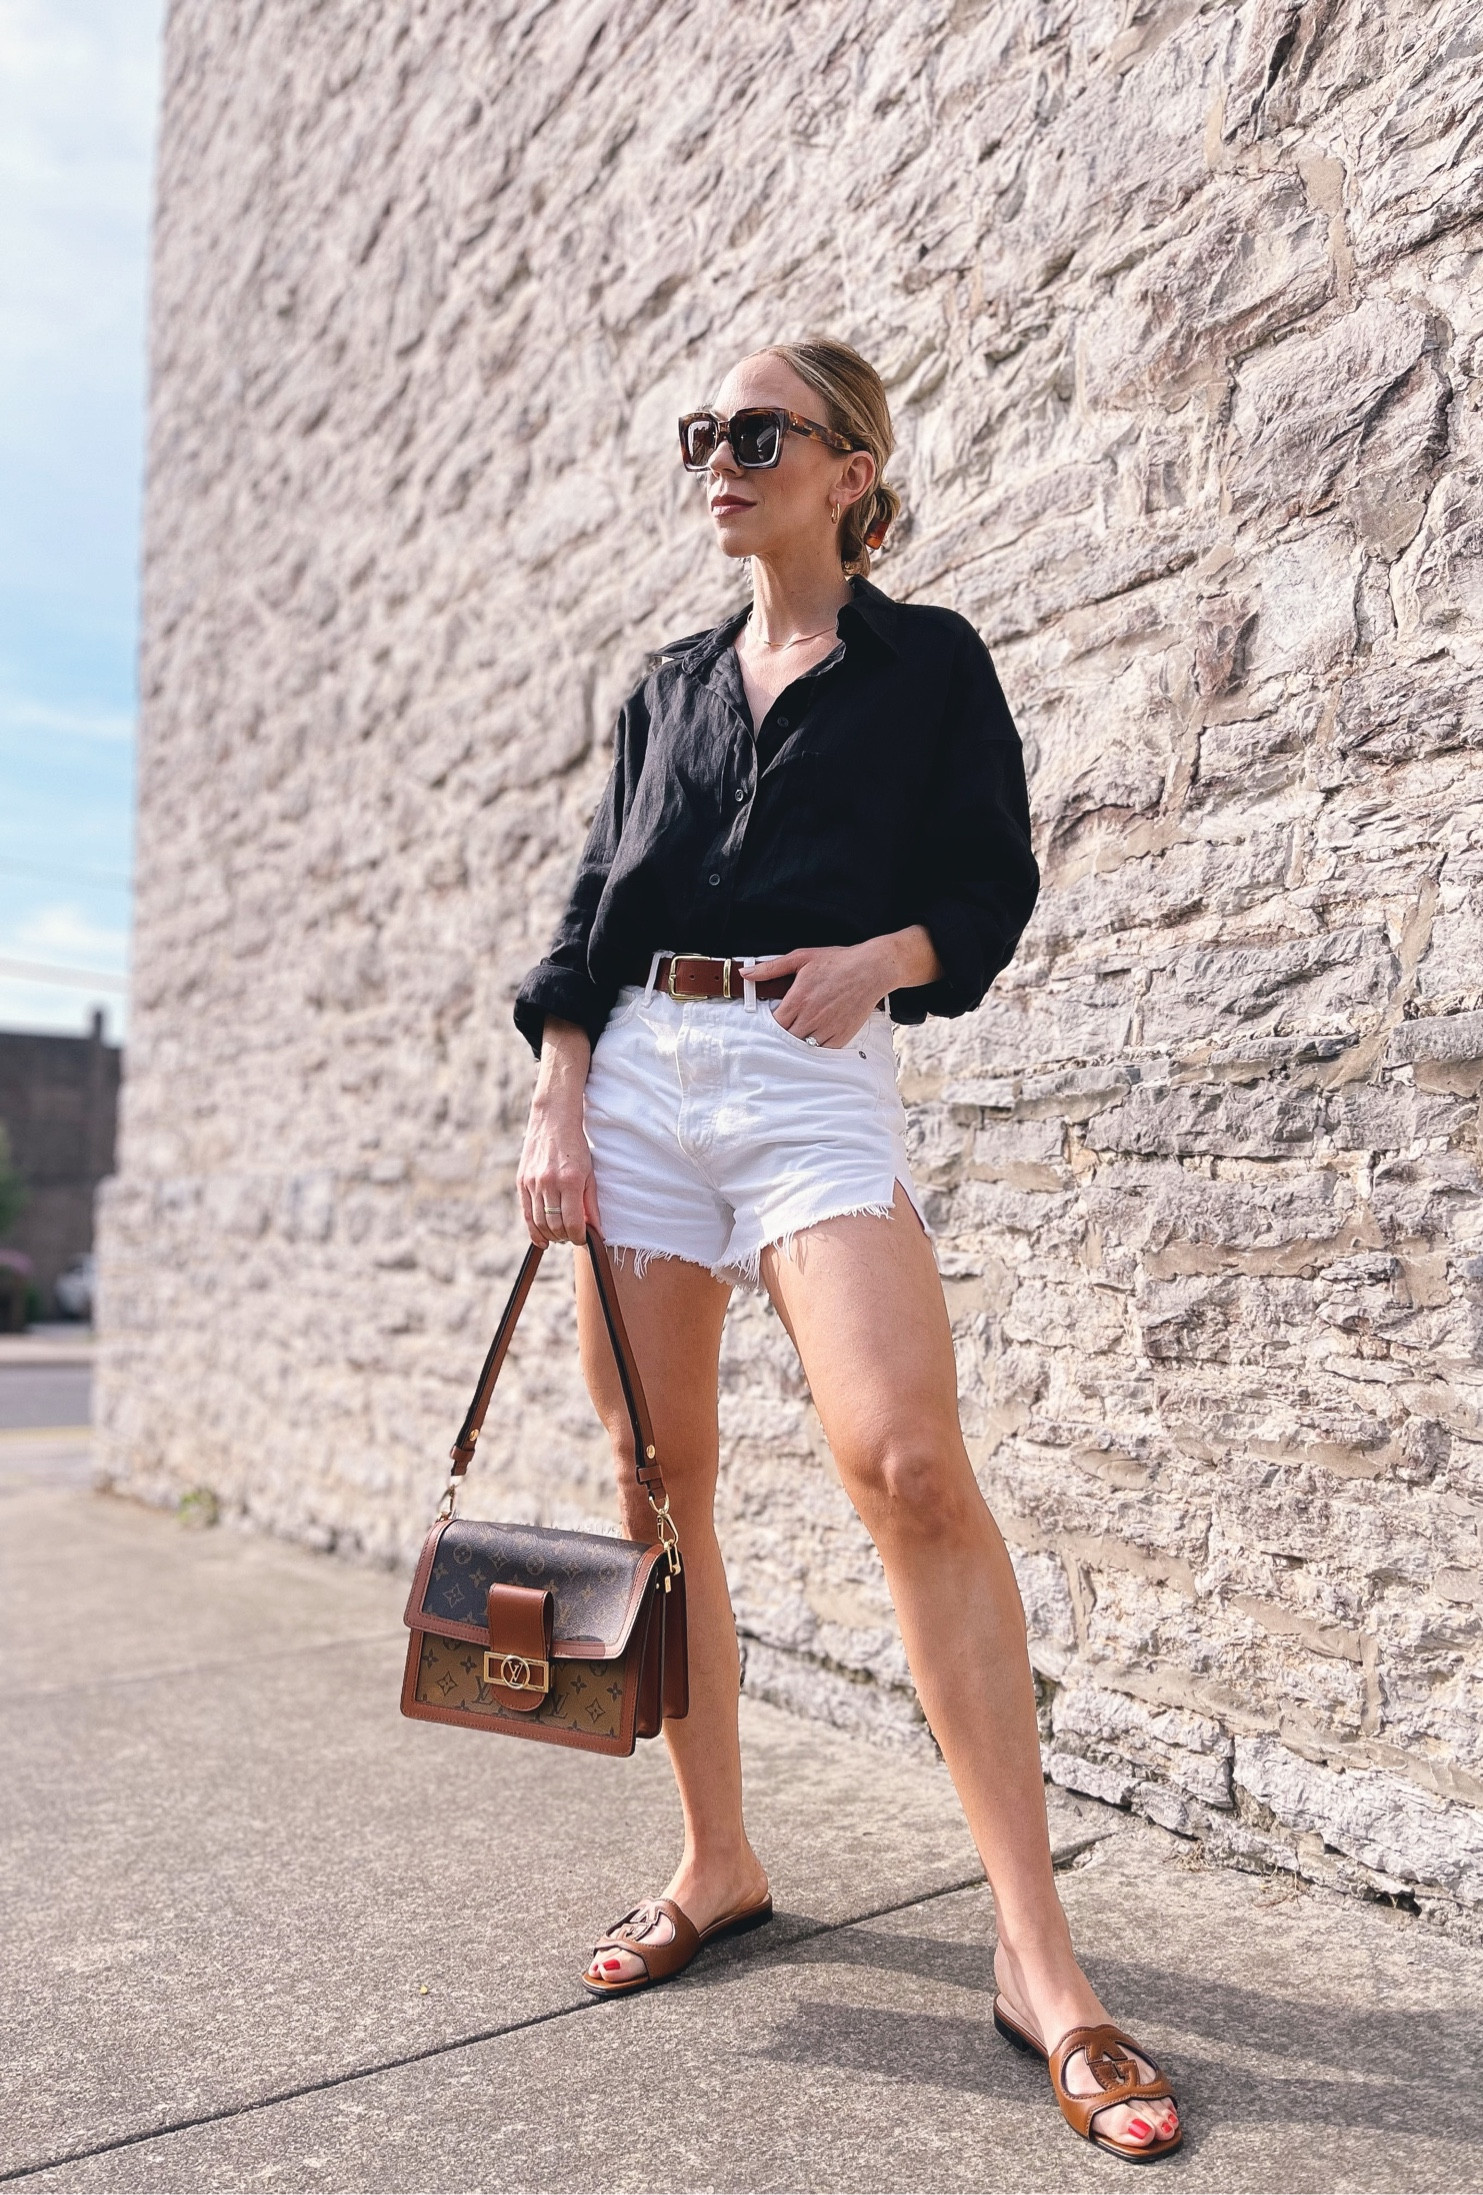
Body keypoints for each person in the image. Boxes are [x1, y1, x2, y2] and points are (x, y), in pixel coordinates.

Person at [512, 339, 1182, 2163]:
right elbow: (589, 911)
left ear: (850, 472)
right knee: (661, 1482)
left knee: (906, 1464)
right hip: (640, 1079)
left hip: (811, 1076)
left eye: (751, 435)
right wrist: (559, 1098)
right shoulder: (665, 688)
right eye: (696, 439)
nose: (714, 462)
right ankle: (717, 1859)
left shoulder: (929, 662)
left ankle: (1035, 1956)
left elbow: (990, 887)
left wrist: (880, 961)